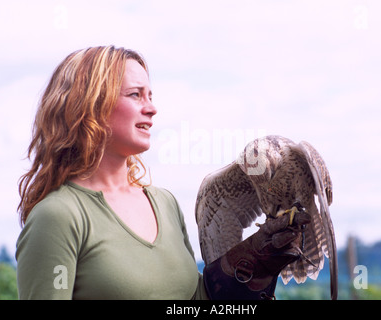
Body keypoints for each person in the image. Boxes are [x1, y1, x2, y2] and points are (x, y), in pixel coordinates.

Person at [16, 45, 310, 300]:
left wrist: (253, 265)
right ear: (91, 107)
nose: (152, 108)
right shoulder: (58, 216)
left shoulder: (164, 204)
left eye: (151, 95)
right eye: (135, 95)